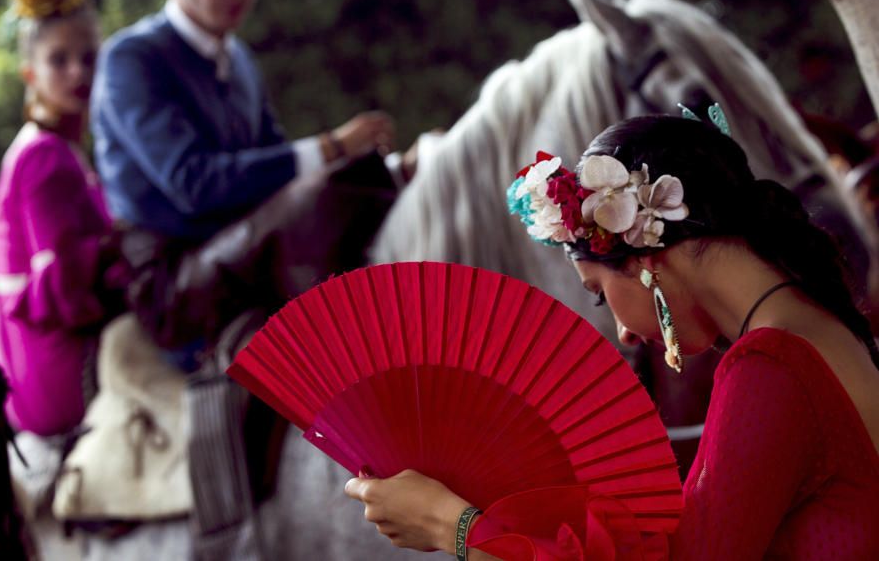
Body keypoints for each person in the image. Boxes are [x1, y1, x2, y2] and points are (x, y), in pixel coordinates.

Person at [344, 114, 879, 559]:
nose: (623, 333)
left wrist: (453, 527)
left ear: (647, 261)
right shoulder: (815, 326)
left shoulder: (773, 364)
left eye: (599, 293)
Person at [91, 0, 398, 362]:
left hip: (247, 256)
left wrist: (380, 168)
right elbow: (192, 183)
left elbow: (283, 170)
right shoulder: (132, 59)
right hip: (172, 284)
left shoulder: (239, 60)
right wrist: (332, 148)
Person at [0, 0, 125, 437]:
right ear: (30, 73)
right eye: (59, 60)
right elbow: (64, 285)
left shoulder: (55, 148)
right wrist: (123, 242)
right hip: (57, 364)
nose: (77, 72)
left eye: (89, 57)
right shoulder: (45, 158)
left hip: (38, 357)